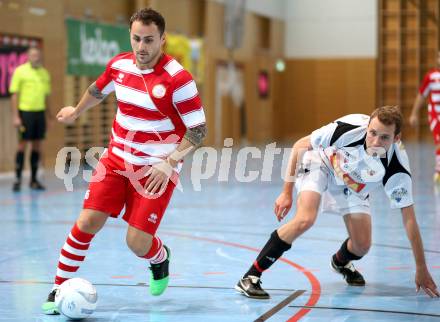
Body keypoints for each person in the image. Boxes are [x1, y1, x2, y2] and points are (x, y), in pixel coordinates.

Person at [42, 8, 206, 314]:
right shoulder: (119, 65)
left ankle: (160, 258)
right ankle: (58, 287)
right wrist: (77, 111)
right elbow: (98, 89)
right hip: (116, 159)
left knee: (137, 242)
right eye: (136, 39)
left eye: (149, 40)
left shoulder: (178, 80)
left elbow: (198, 130)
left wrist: (169, 162)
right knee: (87, 222)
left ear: (162, 40)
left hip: (157, 168)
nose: (141, 47)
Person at [235, 106, 439, 299]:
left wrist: (421, 268)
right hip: (322, 164)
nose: (375, 141)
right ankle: (250, 276)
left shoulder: (397, 167)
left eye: (384, 137)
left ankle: (341, 262)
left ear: (396, 138)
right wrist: (286, 192)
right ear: (367, 127)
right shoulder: (346, 130)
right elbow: (299, 146)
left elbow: (409, 220)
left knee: (362, 246)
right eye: (372, 133)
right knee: (305, 219)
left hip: (355, 186)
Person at [9, 46, 52, 192]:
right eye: (33, 55)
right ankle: (17, 179)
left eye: (37, 55)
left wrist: (49, 116)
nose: (36, 57)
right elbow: (14, 95)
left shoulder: (44, 73)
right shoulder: (20, 71)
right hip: (25, 113)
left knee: (37, 146)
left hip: (39, 114)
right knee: (22, 145)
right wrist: (16, 116)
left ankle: (34, 180)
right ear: (28, 56)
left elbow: (46, 97)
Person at [409, 52, 440, 183]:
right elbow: (421, 96)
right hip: (436, 115)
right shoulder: (431, 77)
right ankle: (438, 171)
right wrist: (414, 113)